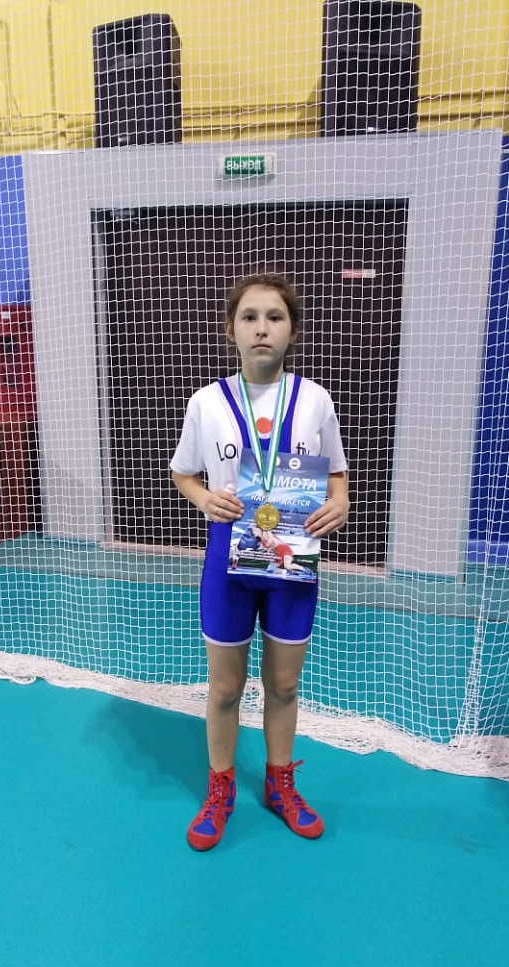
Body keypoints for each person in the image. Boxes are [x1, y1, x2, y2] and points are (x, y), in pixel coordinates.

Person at [170, 273, 349, 851]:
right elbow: (182, 473)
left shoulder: (315, 399)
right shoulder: (206, 402)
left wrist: (341, 503)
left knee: (284, 683)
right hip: (229, 553)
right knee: (225, 687)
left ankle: (279, 784)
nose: (262, 328)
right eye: (249, 317)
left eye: (275, 316)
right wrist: (204, 499)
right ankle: (219, 788)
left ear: (292, 329)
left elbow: (338, 475)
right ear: (231, 330)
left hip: (292, 555)